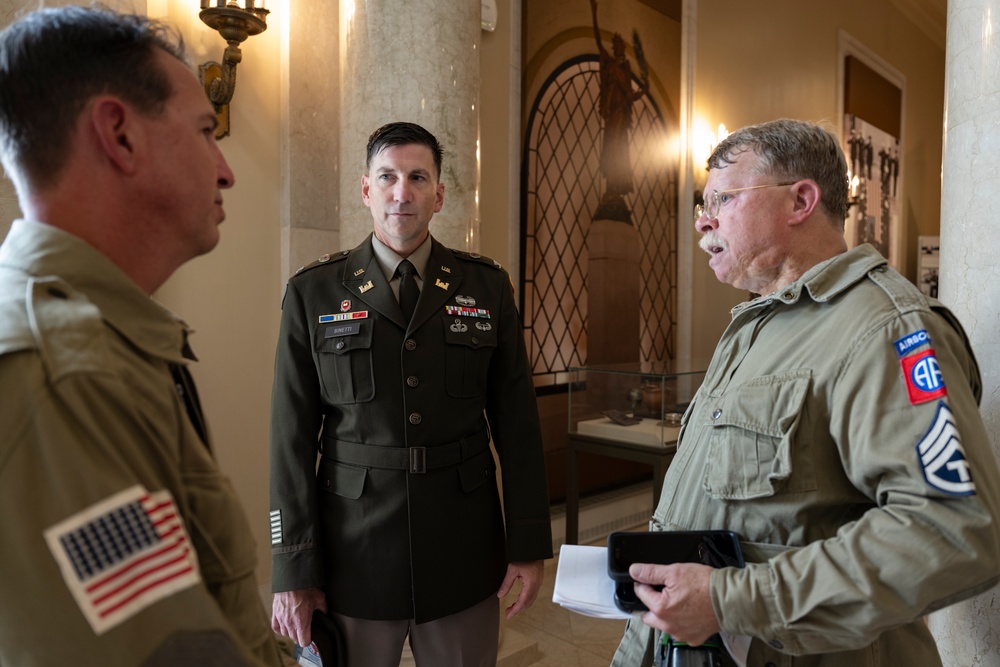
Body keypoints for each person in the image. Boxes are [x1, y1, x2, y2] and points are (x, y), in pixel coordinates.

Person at [611, 119, 1000, 667]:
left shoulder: (885, 328)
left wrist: (729, 602)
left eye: (722, 198)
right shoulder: (758, 324)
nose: (702, 221)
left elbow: (955, 531)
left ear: (800, 201)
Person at [0, 7, 293, 666]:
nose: (227, 170)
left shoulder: (99, 342)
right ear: (120, 135)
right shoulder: (59, 380)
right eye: (203, 131)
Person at [268, 121, 552, 667]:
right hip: (353, 552)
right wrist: (292, 568)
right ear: (366, 190)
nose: (403, 192)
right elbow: (290, 439)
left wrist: (528, 541)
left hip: (463, 548)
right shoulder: (313, 292)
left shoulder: (486, 287)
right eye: (388, 176)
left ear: (439, 194)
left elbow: (517, 427)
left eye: (418, 177)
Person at [589, 0, 649, 221]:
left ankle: (617, 189)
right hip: (612, 117)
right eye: (615, 46)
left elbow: (629, 96)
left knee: (621, 152)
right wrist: (594, 13)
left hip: (622, 118)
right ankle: (611, 190)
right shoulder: (609, 63)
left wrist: (643, 91)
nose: (617, 49)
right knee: (612, 150)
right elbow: (597, 42)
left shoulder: (625, 68)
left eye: (620, 46)